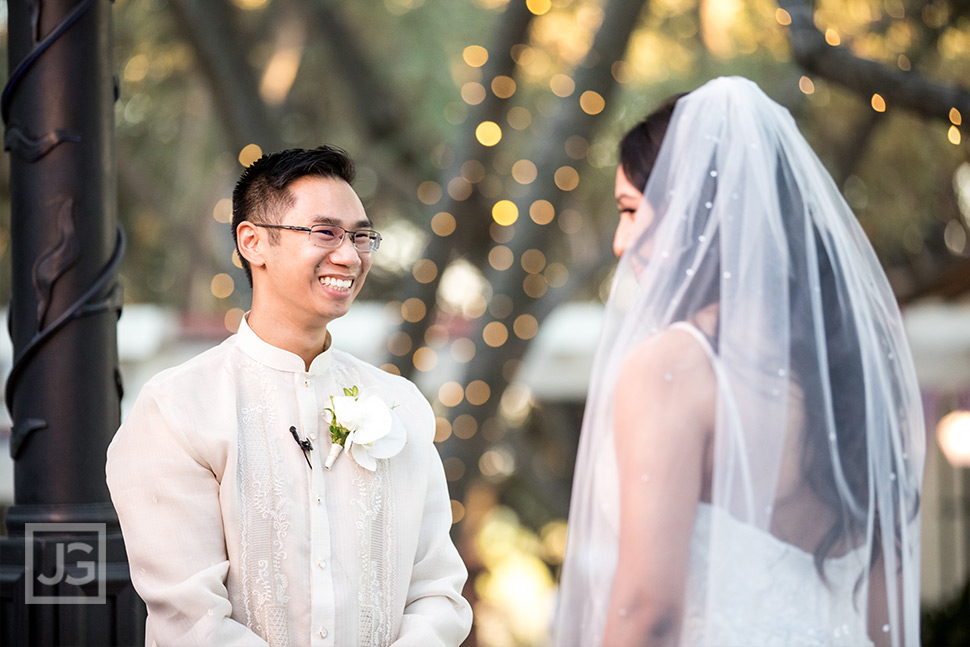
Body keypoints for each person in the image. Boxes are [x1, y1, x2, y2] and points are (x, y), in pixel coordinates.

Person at [554, 77, 924, 647]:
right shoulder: (848, 376)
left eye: (631, 210)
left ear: (690, 213)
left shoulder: (671, 369)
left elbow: (648, 609)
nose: (621, 243)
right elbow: (886, 619)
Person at [107, 146, 473, 646]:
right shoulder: (178, 409)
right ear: (253, 242)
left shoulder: (400, 404)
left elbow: (438, 592)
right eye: (324, 232)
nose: (349, 254)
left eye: (360, 236)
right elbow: (191, 620)